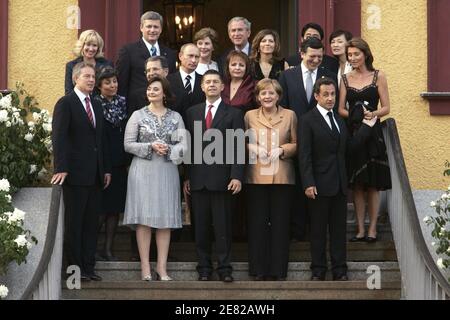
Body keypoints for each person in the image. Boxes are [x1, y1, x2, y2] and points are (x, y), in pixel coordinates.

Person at [299, 77, 378, 281]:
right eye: (325, 94)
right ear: (316, 96)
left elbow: (349, 148)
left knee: (338, 231)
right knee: (317, 231)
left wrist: (367, 127)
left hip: (340, 184)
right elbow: (304, 155)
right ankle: (318, 270)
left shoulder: (338, 119)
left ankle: (339, 270)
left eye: (333, 94)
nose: (330, 98)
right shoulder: (307, 120)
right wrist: (308, 182)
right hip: (317, 185)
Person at [122, 76, 187, 281]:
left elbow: (184, 146)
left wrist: (169, 148)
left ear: (165, 93)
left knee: (165, 220)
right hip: (142, 171)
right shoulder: (137, 115)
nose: (151, 91)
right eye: (149, 89)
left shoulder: (176, 117)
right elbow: (128, 144)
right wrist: (150, 146)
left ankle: (161, 267)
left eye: (156, 89)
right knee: (144, 220)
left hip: (167, 170)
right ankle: (145, 268)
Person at [52, 62, 111, 281]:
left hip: (95, 176)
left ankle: (88, 268)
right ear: (76, 78)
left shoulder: (95, 104)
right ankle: (74, 272)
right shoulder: (66, 103)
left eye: (93, 77)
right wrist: (61, 167)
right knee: (74, 226)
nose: (91, 80)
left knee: (90, 226)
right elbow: (59, 137)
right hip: (74, 175)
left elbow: (100, 140)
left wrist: (105, 169)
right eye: (87, 76)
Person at [184, 70, 245, 283]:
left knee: (223, 227)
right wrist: (187, 177)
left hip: (224, 180)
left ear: (222, 87)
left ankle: (225, 268)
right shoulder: (192, 112)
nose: (211, 85)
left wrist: (237, 175)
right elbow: (188, 147)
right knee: (200, 228)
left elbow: (239, 147)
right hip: (198, 180)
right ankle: (204, 268)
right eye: (207, 82)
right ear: (202, 87)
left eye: (215, 82)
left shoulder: (235, 113)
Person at [279, 37, 337, 241]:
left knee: (318, 188)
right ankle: (297, 231)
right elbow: (283, 107)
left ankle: (316, 231)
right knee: (297, 187)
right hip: (295, 136)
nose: (316, 60)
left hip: (320, 142)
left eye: (320, 56)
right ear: (302, 54)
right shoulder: (287, 76)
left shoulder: (329, 75)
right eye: (312, 56)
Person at [338, 38, 392, 243]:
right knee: (357, 184)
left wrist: (372, 114)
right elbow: (340, 108)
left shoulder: (378, 76)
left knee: (373, 184)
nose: (352, 58)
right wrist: (356, 115)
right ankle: (360, 229)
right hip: (353, 133)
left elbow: (387, 108)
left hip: (373, 133)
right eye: (349, 55)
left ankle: (373, 230)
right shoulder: (344, 79)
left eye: (356, 54)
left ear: (365, 54)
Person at [244, 79, 297, 280]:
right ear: (258, 97)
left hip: (282, 175)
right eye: (263, 94)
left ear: (278, 96)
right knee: (257, 225)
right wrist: (252, 148)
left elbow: (296, 143)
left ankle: (278, 270)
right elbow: (241, 140)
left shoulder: (290, 115)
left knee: (280, 225)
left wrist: (282, 149)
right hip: (256, 176)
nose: (267, 97)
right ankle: (258, 270)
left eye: (271, 93)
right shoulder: (249, 116)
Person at [93, 66, 128, 261]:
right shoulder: (95, 104)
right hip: (102, 162)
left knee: (114, 209)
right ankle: (91, 247)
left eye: (114, 81)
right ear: (99, 85)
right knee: (101, 210)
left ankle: (108, 249)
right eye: (107, 82)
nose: (112, 85)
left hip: (119, 162)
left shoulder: (123, 102)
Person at [117, 11, 176, 114]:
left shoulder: (169, 53)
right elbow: (122, 83)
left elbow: (171, 82)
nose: (152, 30)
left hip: (164, 108)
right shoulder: (128, 51)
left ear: (161, 29)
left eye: (156, 27)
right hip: (137, 108)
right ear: (141, 28)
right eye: (148, 26)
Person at [65, 30, 113, 95]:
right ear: (81, 46)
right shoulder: (71, 66)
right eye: (88, 45)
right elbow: (69, 92)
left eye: (94, 45)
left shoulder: (107, 64)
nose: (91, 49)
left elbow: (111, 88)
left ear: (98, 48)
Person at [167, 43, 205, 119]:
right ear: (180, 56)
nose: (194, 60)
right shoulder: (168, 81)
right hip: (175, 125)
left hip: (198, 126)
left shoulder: (204, 80)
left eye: (197, 57)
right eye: (190, 56)